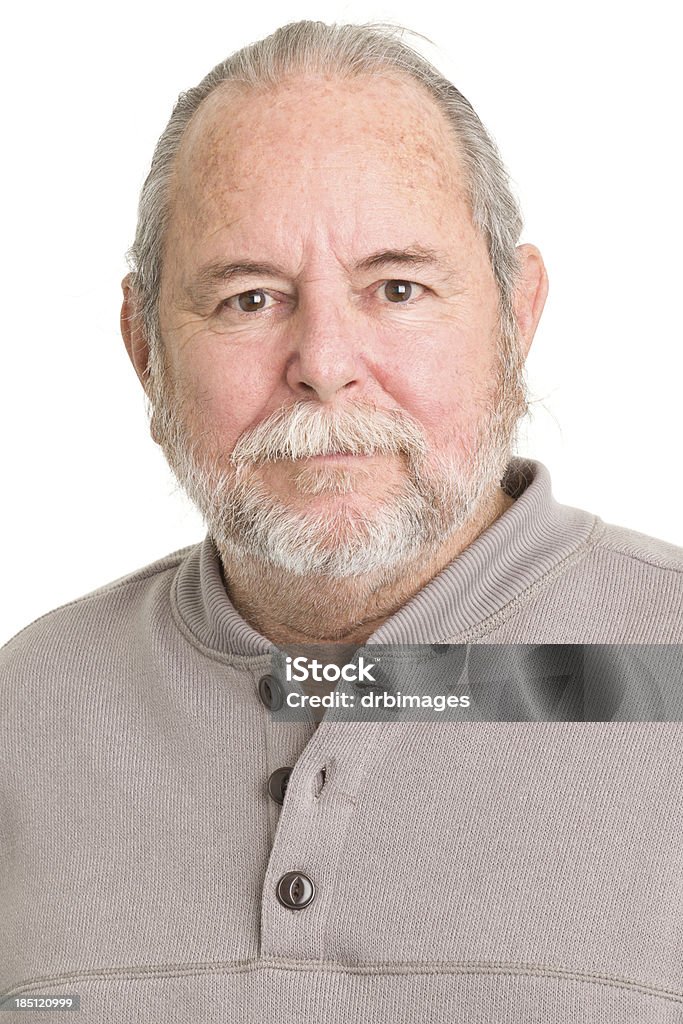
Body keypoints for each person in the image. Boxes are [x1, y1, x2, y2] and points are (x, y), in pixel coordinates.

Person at [2, 19, 683, 1023]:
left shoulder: (662, 671)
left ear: (515, 316)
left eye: (396, 288)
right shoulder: (29, 711)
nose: (323, 361)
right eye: (247, 299)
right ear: (145, 352)